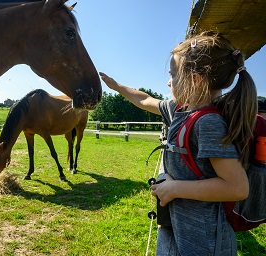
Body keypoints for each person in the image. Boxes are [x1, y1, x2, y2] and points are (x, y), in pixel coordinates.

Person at [100, 31, 257, 255]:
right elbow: (144, 99)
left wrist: (174, 188)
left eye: (173, 75)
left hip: (204, 241)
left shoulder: (209, 123)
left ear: (194, 79)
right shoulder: (179, 110)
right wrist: (117, 87)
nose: (168, 81)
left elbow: (237, 187)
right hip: (178, 230)